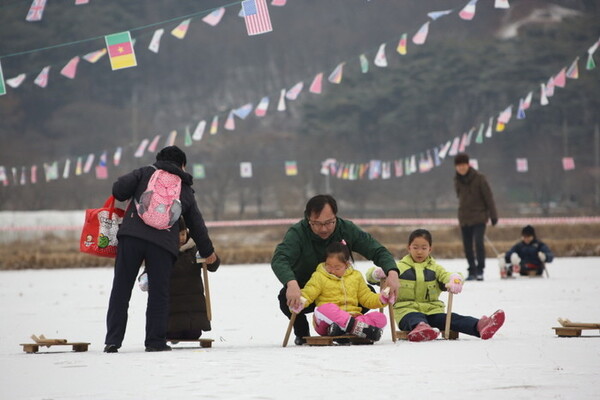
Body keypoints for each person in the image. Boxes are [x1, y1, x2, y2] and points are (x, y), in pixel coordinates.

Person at [104, 146, 218, 353]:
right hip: (162, 244)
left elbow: (119, 190)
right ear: (183, 165)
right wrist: (209, 252)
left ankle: (113, 340)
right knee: (159, 293)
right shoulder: (183, 187)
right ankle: (155, 341)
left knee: (121, 289)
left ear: (158, 160)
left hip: (132, 238)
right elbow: (196, 224)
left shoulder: (144, 172)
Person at [271, 194, 399, 345]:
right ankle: (302, 333)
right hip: (309, 289)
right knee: (285, 298)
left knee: (368, 293)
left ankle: (347, 325)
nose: (324, 228)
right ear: (308, 219)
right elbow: (280, 258)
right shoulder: (298, 233)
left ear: (336, 217)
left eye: (329, 222)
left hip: (342, 289)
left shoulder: (346, 229)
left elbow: (377, 250)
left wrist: (392, 272)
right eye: (317, 224)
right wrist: (291, 283)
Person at [367, 229, 505, 342]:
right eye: (415, 248)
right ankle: (420, 329)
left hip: (432, 311)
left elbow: (447, 275)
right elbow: (370, 276)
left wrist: (455, 279)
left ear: (430, 249)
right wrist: (377, 273)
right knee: (415, 318)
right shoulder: (398, 267)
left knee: (452, 318)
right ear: (409, 248)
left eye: (423, 248)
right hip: (406, 312)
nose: (419, 251)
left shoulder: (435, 269)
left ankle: (480, 326)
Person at [290, 241, 391, 342]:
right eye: (328, 266)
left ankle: (347, 328)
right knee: (324, 308)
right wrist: (299, 301)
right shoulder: (319, 276)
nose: (332, 270)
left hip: (353, 317)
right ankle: (356, 328)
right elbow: (309, 292)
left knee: (380, 318)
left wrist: (381, 298)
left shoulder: (356, 276)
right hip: (326, 322)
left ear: (346, 264)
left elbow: (366, 297)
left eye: (337, 267)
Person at [138, 217, 220, 340]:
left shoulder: (194, 250)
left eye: (183, 234)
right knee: (173, 334)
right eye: (177, 234)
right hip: (172, 306)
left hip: (193, 305)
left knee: (193, 335)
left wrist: (211, 258)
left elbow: (213, 266)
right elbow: (148, 270)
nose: (181, 238)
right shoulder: (162, 252)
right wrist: (145, 278)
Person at [454, 153, 498, 281]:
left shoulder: (479, 178)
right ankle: (472, 270)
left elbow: (488, 198)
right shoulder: (457, 180)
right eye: (458, 166)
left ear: (468, 165)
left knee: (478, 243)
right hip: (464, 218)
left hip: (479, 217)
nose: (461, 168)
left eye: (463, 165)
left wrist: (493, 215)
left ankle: (480, 269)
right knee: (467, 246)